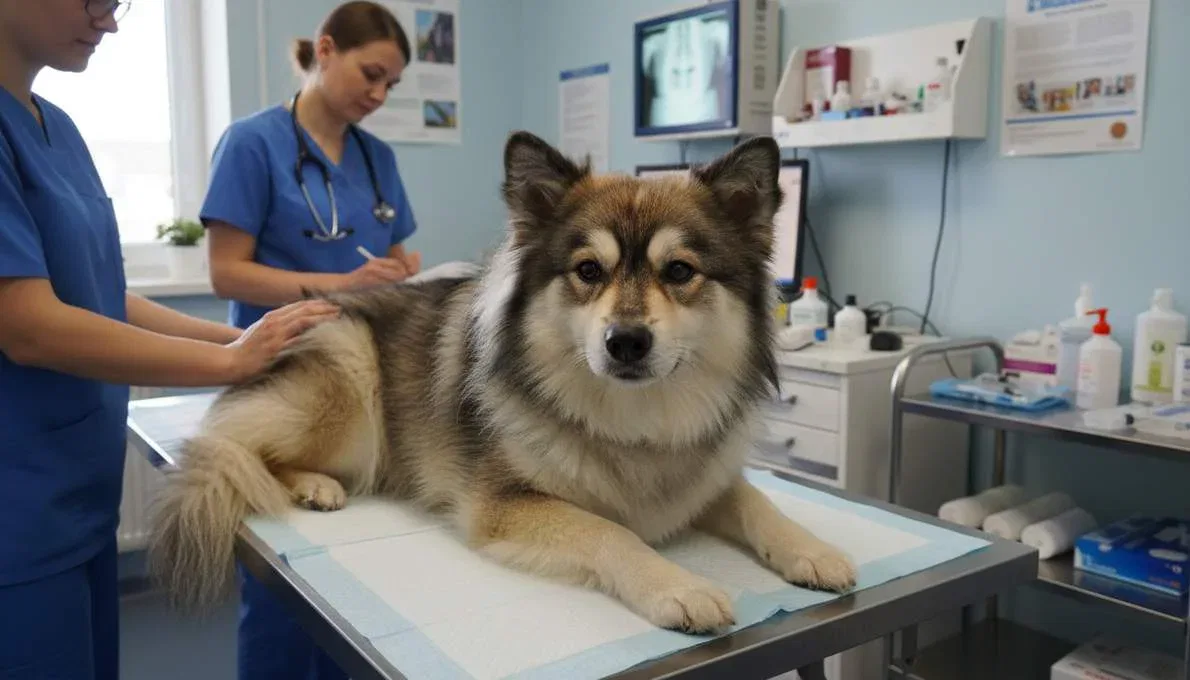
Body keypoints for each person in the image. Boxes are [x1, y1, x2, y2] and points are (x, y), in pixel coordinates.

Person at [0, 1, 340, 678]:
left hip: (78, 496)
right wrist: (228, 360)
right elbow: (28, 325)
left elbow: (99, 292)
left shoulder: (57, 128)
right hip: (18, 516)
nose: (110, 21)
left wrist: (244, 342)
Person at [198, 2, 421, 678]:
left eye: (391, 86)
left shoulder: (377, 159)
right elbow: (224, 272)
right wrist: (341, 285)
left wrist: (402, 274)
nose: (378, 96)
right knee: (281, 590)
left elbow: (399, 254)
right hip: (282, 378)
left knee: (356, 581)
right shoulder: (252, 143)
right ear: (325, 51)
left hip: (362, 385)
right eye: (370, 74)